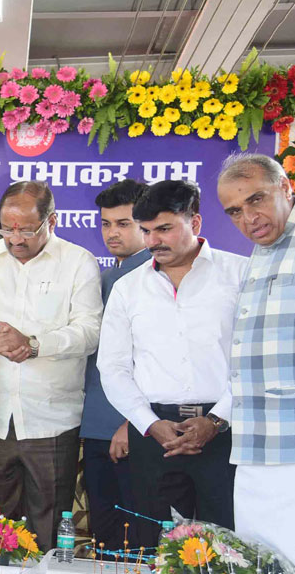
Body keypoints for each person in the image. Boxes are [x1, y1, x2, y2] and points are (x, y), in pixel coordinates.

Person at [98, 180, 244, 549]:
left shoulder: (240, 275)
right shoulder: (128, 288)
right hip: (154, 435)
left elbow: (253, 361)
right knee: (156, 548)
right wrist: (149, 424)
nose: (152, 241)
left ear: (194, 223)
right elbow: (112, 367)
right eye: (146, 231)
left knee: (228, 550)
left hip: (227, 432)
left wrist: (216, 420)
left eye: (164, 229)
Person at [0, 181, 102, 550]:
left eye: (27, 229)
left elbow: (90, 331)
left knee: (49, 525)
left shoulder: (78, 262)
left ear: (51, 221)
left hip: (51, 419)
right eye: (7, 228)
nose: (15, 238)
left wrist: (35, 345)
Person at [216, 153, 295, 568]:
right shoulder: (263, 250)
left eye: (256, 200)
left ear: (286, 187)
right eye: (234, 211)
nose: (248, 218)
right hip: (255, 438)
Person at [80, 179, 151, 551]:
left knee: (137, 540)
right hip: (95, 426)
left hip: (133, 428)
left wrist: (131, 422)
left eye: (124, 223)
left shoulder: (154, 278)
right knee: (105, 538)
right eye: (106, 223)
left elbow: (152, 360)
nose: (113, 232)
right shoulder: (104, 278)